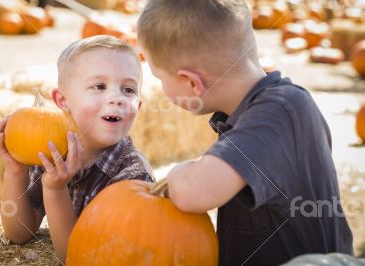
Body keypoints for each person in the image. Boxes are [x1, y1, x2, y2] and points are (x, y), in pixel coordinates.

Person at [137, 0, 353, 265]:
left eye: (159, 78)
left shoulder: (278, 113)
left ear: (192, 82)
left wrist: (176, 174)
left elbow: (194, 192)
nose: (160, 87)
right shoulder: (248, 112)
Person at [0, 35, 154, 262]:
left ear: (138, 106)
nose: (117, 98)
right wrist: (15, 172)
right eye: (99, 86)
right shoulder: (49, 150)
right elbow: (19, 233)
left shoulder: (132, 178)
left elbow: (76, 258)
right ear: (62, 100)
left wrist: (55, 189)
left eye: (128, 90)